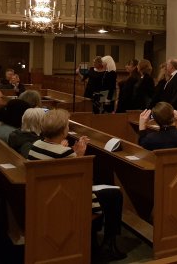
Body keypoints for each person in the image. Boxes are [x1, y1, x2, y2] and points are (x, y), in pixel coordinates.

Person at [28, 109, 126, 260]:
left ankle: (96, 244)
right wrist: (79, 156)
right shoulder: (64, 153)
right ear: (62, 130)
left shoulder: (36, 144)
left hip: (46, 196)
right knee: (114, 195)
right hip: (65, 202)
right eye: (67, 125)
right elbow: (82, 182)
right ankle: (108, 246)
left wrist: (72, 153)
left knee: (107, 193)